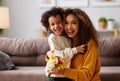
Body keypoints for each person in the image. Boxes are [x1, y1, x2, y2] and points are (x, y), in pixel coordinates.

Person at [48, 8, 101, 81]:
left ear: (81, 24)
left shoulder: (90, 44)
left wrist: (63, 71)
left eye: (74, 23)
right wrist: (50, 56)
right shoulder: (68, 42)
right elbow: (59, 57)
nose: (69, 27)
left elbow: (86, 75)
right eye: (66, 23)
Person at [41, 7, 87, 81]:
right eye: (52, 24)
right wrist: (76, 50)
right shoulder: (52, 38)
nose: (56, 26)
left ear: (63, 22)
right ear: (49, 26)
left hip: (66, 73)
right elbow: (59, 55)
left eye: (58, 22)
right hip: (55, 75)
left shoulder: (67, 37)